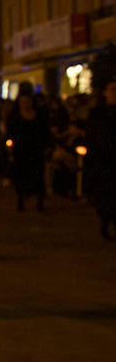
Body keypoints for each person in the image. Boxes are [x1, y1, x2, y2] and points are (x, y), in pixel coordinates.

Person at [6, 81, 49, 212]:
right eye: (23, 101)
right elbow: (10, 132)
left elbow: (44, 131)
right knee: (21, 175)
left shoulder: (39, 115)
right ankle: (21, 199)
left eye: (28, 101)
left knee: (38, 176)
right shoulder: (15, 117)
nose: (26, 104)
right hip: (21, 150)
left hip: (36, 150)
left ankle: (39, 201)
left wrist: (46, 145)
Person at [86, 72, 116, 239]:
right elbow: (91, 137)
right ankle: (105, 222)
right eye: (112, 89)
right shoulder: (97, 114)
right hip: (103, 161)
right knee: (106, 194)